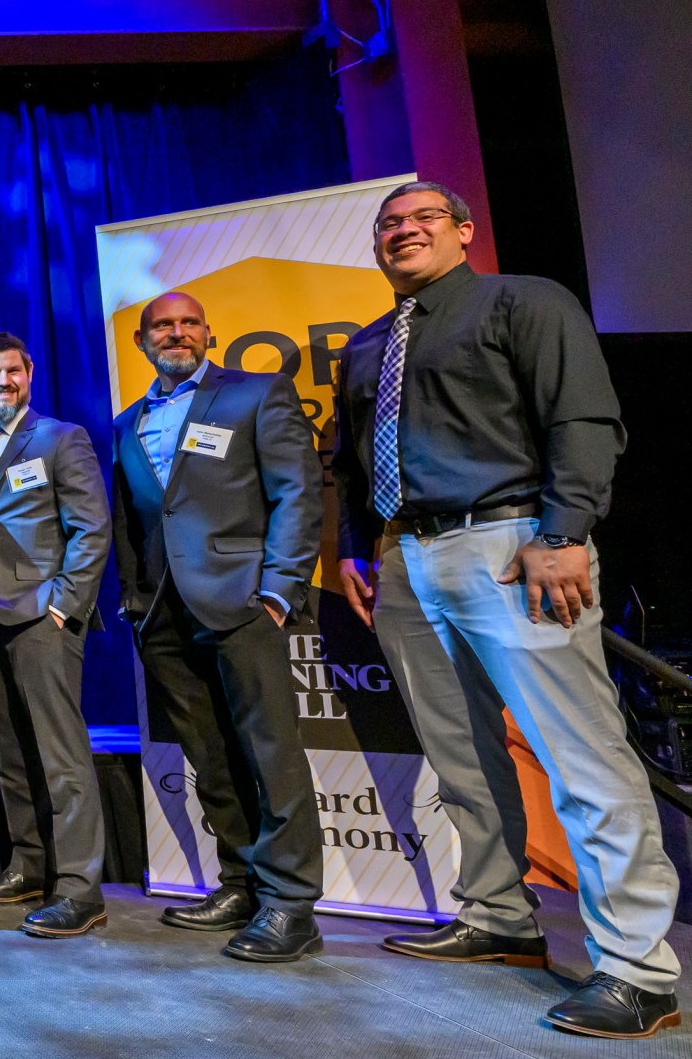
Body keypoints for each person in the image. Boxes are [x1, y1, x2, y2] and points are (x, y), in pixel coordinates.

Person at [333, 182, 681, 1039]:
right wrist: (354, 543)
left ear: (463, 230)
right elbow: (348, 456)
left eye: (421, 219)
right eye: (388, 224)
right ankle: (498, 914)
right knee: (461, 756)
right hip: (405, 558)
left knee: (582, 754)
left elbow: (584, 417)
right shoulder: (370, 342)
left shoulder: (521, 299)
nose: (402, 231)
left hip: (513, 540)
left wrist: (564, 530)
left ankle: (639, 967)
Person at [110, 291, 324, 962]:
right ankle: (240, 881)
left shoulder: (256, 394)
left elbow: (297, 489)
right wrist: (133, 601)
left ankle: (291, 902)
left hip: (242, 599)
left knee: (270, 753)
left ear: (208, 332)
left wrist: (281, 589)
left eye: (188, 323)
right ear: (142, 342)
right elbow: (134, 517)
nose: (176, 334)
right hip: (162, 611)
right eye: (162, 327)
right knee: (209, 755)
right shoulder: (125, 422)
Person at [0, 333, 112, 938]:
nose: (2, 381)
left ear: (29, 372)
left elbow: (91, 529)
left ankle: (79, 888)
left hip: (42, 616)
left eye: (12, 370)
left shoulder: (61, 438)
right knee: (11, 752)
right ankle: (30, 866)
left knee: (61, 755)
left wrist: (65, 607)